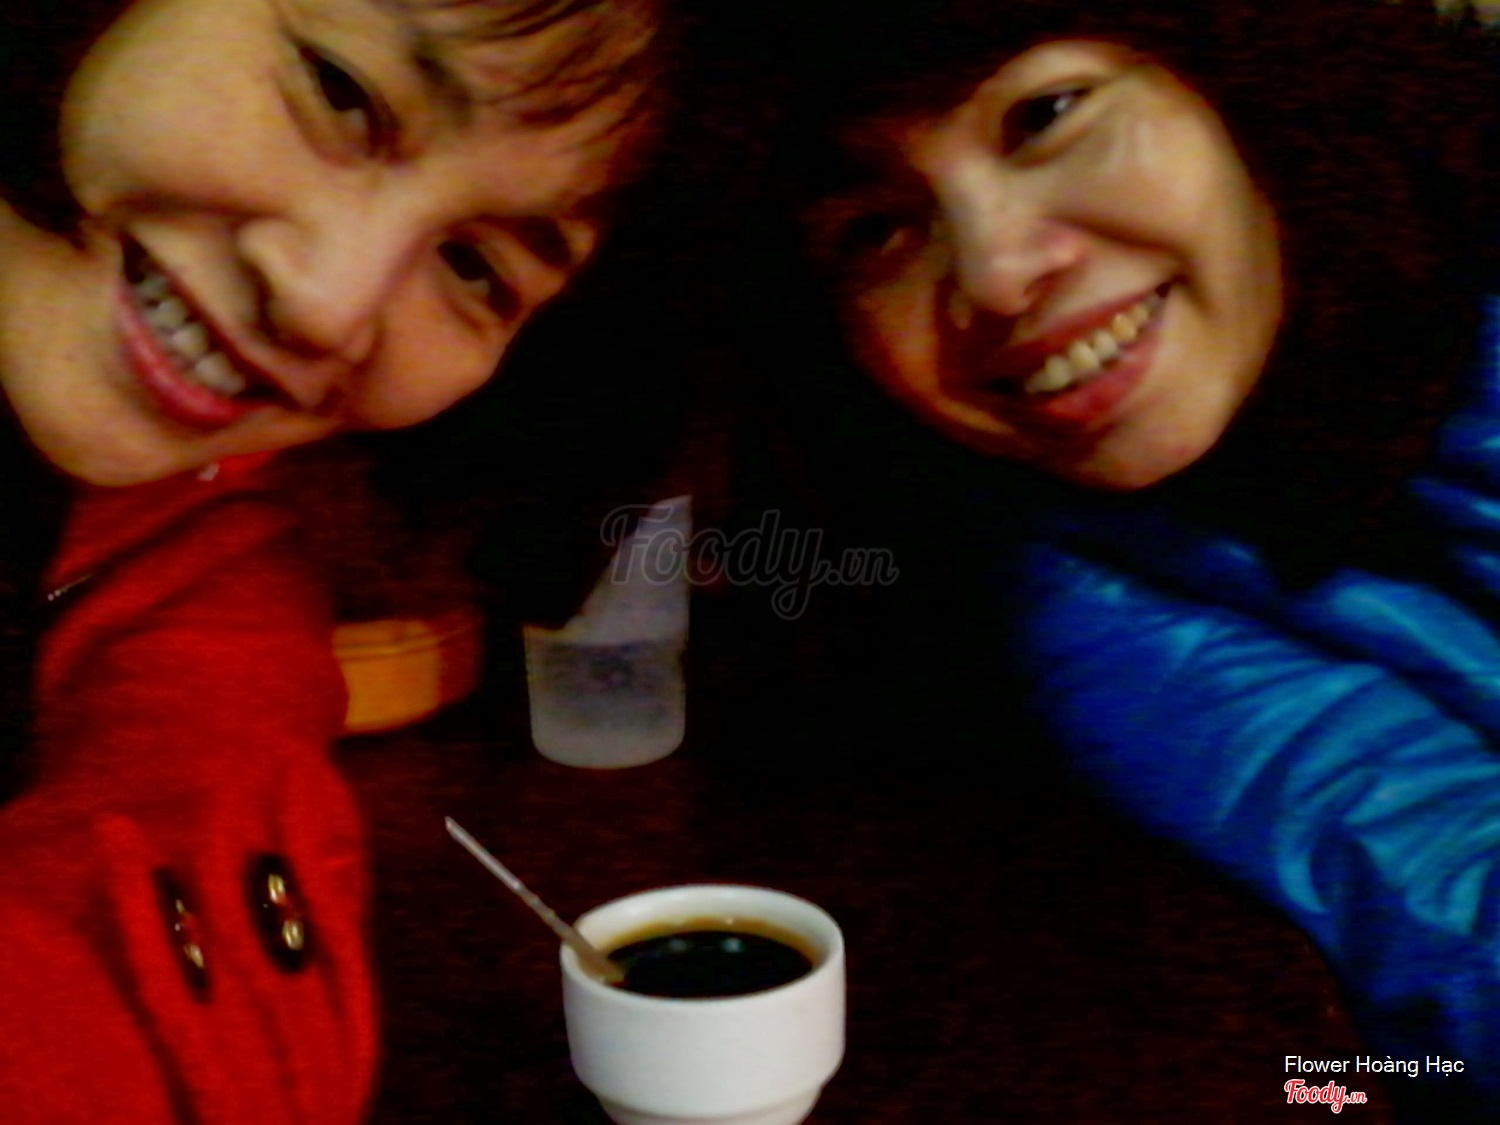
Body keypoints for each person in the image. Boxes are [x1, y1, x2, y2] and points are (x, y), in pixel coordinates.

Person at [759, 0, 1500, 1117]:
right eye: (873, 232)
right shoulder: (1102, 599)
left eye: (1046, 115)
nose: (997, 273)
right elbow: (1446, 934)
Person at [0, 0, 668, 1118]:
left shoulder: (195, 541)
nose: (327, 304)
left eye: (473, 267)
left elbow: (201, 758)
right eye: (339, 92)